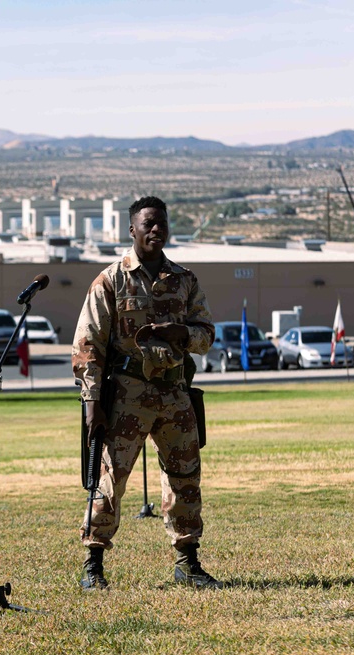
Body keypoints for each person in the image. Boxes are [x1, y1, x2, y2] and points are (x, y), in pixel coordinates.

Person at [72, 195, 220, 590]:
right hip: (126, 395)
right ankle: (93, 566)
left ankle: (188, 564)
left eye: (162, 224)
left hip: (174, 393)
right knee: (110, 479)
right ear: (132, 230)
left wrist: (182, 334)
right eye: (148, 224)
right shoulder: (112, 280)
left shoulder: (185, 279)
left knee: (184, 476)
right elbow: (88, 346)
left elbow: (207, 335)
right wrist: (92, 404)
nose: (156, 230)